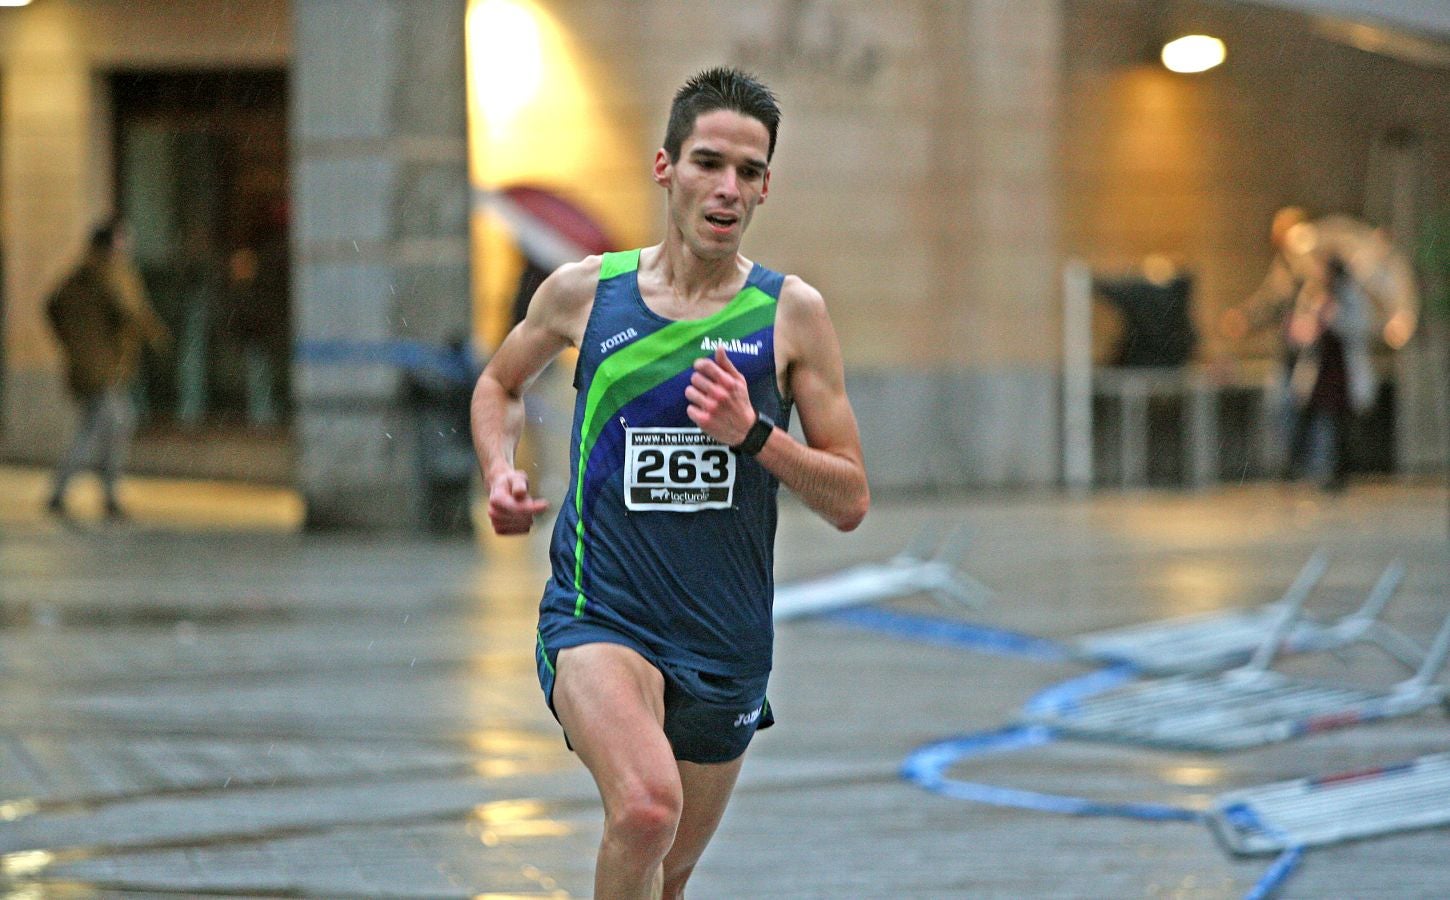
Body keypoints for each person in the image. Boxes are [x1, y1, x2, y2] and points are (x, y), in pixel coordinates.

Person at [470, 67, 869, 898]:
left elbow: (849, 499)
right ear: (666, 168)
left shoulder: (790, 315)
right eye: (708, 163)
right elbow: (500, 384)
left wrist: (755, 435)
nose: (727, 189)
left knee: (669, 872)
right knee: (648, 812)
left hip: (724, 643)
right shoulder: (589, 293)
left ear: (766, 187)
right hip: (600, 613)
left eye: (748, 172)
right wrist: (501, 472)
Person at [45, 218, 170, 519]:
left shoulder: (79, 276)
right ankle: (104, 494)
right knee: (115, 424)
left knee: (95, 427)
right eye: (121, 241)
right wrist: (156, 336)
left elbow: (52, 307)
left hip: (92, 365)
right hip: (104, 367)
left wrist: (70, 343)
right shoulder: (110, 274)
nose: (126, 246)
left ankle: (65, 491)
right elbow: (129, 310)